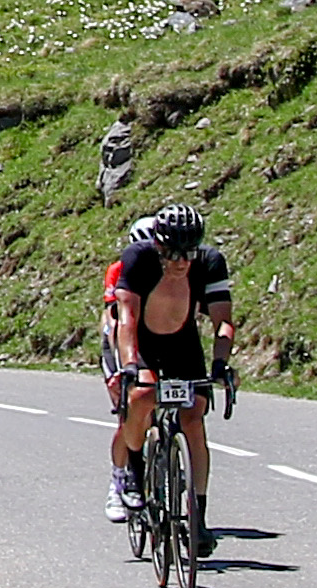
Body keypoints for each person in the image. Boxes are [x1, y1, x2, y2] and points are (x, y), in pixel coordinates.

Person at [100, 205, 234, 544]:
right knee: (142, 397)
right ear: (158, 247)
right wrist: (129, 364)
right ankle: (133, 471)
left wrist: (221, 363)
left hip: (182, 345)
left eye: (188, 252)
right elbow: (126, 318)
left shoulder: (210, 262)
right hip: (143, 342)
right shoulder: (137, 259)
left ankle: (198, 517)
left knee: (194, 417)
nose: (180, 261)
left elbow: (223, 322)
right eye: (172, 253)